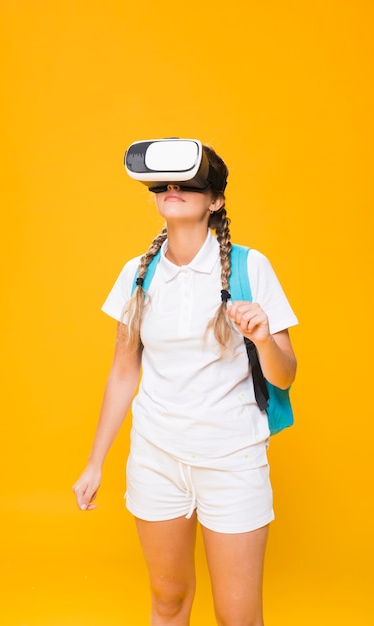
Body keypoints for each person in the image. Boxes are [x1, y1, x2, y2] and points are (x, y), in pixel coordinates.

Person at [73, 139, 298, 626]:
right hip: (156, 459)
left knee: (237, 617)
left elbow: (285, 374)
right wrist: (95, 463)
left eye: (188, 182)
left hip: (231, 461)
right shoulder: (137, 274)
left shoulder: (250, 267)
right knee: (169, 602)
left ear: (215, 199)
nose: (173, 189)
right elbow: (122, 371)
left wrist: (261, 337)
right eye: (164, 183)